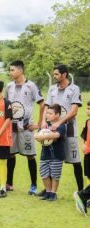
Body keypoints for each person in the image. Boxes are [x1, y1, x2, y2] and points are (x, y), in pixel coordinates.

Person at [41, 64, 83, 194]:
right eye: (53, 74)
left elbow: (74, 111)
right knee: (49, 160)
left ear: (64, 75)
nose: (54, 76)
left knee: (75, 162)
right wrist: (43, 121)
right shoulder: (52, 89)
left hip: (69, 131)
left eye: (56, 74)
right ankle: (49, 190)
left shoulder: (74, 89)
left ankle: (81, 191)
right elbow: (46, 107)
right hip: (51, 131)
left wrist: (59, 122)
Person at [4, 60, 45, 194]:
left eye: (12, 70)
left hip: (26, 127)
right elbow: (5, 105)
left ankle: (33, 185)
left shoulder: (31, 86)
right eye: (10, 70)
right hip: (11, 128)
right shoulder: (9, 86)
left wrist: (39, 124)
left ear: (20, 71)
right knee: (10, 155)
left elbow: (42, 104)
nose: (10, 72)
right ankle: (9, 183)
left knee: (30, 156)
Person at [34, 104, 66, 201]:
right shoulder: (45, 125)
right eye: (47, 113)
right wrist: (38, 136)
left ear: (57, 114)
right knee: (44, 173)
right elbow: (36, 135)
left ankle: (53, 193)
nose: (47, 115)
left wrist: (44, 136)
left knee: (55, 174)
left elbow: (56, 135)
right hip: (45, 154)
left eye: (50, 113)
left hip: (56, 155)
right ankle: (47, 192)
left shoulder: (61, 125)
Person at [73, 101, 90, 214]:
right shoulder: (87, 122)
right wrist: (83, 144)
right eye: (88, 108)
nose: (88, 111)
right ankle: (83, 195)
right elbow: (84, 136)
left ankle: (83, 196)